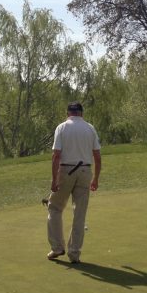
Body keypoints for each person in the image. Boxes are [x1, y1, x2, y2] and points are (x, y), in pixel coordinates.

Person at [46, 101, 101, 264]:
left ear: (68, 113)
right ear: (81, 113)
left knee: (55, 207)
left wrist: (54, 180)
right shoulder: (90, 128)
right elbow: (97, 156)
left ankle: (57, 247)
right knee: (79, 214)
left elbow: (56, 155)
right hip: (85, 171)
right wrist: (96, 178)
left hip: (66, 171)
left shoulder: (62, 127)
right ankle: (74, 253)